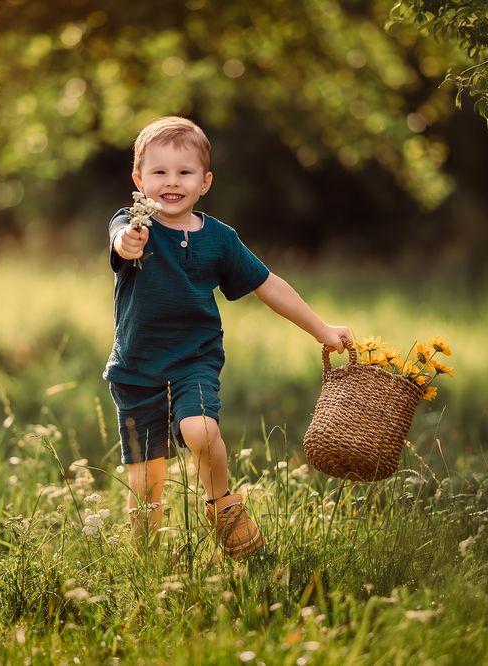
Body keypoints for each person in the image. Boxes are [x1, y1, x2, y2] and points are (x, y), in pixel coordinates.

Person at [104, 116, 352, 560]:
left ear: (205, 182)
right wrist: (128, 241)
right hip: (135, 364)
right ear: (139, 181)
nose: (172, 182)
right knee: (145, 480)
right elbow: (121, 243)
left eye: (184, 173)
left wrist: (322, 328)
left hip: (193, 359)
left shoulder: (219, 239)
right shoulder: (132, 224)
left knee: (199, 429)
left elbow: (267, 285)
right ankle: (146, 564)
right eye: (159, 173)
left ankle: (222, 505)